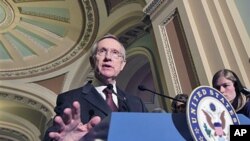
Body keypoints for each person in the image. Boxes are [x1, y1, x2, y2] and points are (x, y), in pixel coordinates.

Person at [43, 34, 148, 141]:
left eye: (115, 53)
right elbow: (54, 135)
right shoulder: (70, 98)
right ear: (92, 61)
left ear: (122, 65)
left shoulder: (136, 103)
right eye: (102, 51)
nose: (108, 57)